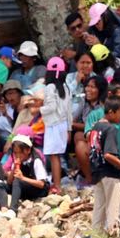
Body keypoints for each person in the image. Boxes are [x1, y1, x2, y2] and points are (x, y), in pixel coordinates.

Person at [89, 99, 120, 238]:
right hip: (112, 175)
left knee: (98, 215)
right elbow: (108, 155)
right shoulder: (111, 129)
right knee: (114, 213)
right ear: (111, 112)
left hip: (98, 174)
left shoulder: (95, 128)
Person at [0, 133, 49, 216]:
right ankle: (4, 208)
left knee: (17, 181)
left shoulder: (36, 161)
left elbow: (41, 184)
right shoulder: (16, 160)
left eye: (21, 153)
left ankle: (13, 210)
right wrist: (14, 169)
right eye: (15, 153)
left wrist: (22, 178)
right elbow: (9, 182)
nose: (18, 155)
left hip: (37, 189)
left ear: (28, 150)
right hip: (24, 188)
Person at [40, 58, 71, 191]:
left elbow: (51, 107)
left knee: (54, 156)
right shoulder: (66, 87)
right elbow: (69, 110)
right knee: (56, 155)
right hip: (63, 124)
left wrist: (39, 110)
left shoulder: (49, 87)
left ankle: (56, 185)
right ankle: (57, 183)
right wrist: (69, 129)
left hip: (53, 125)